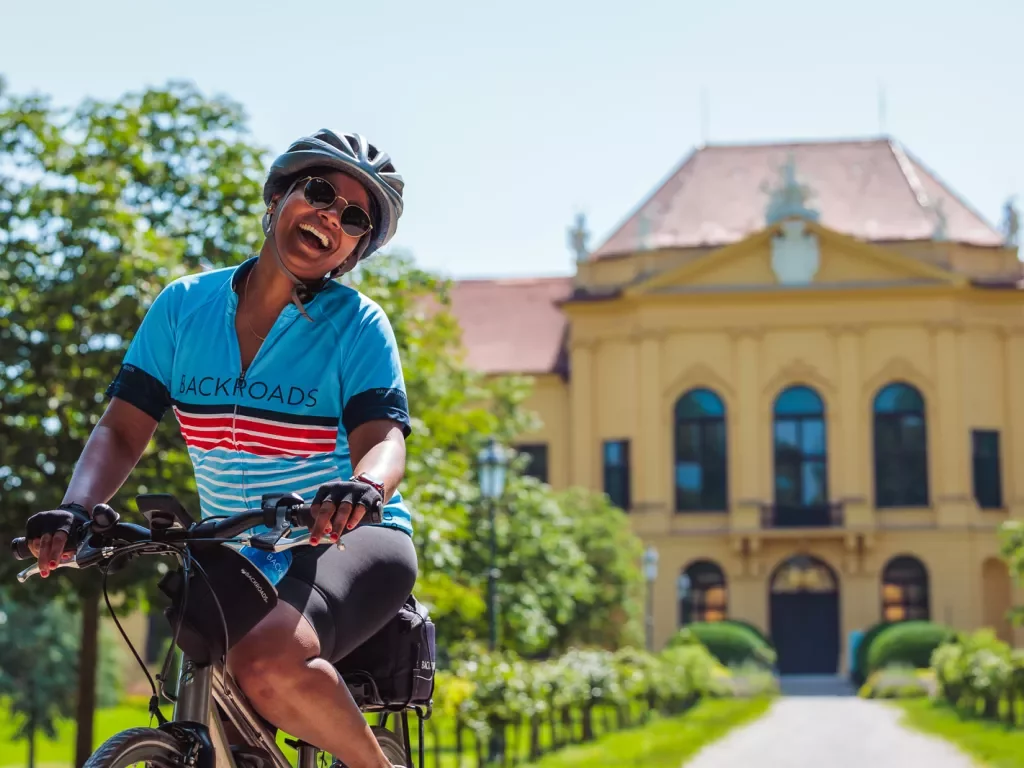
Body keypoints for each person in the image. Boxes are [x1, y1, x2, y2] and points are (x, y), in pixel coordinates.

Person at [23, 129, 417, 768]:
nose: (331, 217)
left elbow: (384, 439)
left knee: (263, 660)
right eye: (318, 192)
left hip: (343, 537)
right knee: (215, 703)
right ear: (277, 197)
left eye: (353, 219)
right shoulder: (183, 308)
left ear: (353, 251)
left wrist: (366, 489)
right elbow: (123, 428)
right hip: (232, 543)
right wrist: (76, 508)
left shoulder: (359, 324)